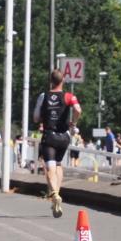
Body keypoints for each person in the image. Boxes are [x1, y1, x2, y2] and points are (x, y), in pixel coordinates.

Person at [33, 69, 82, 218]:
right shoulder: (69, 96)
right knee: (59, 164)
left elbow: (35, 118)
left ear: (50, 81)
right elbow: (78, 109)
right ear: (63, 81)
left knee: (50, 167)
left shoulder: (43, 96)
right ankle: (57, 194)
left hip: (49, 136)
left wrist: (43, 117)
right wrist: (73, 122)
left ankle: (53, 193)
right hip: (64, 137)